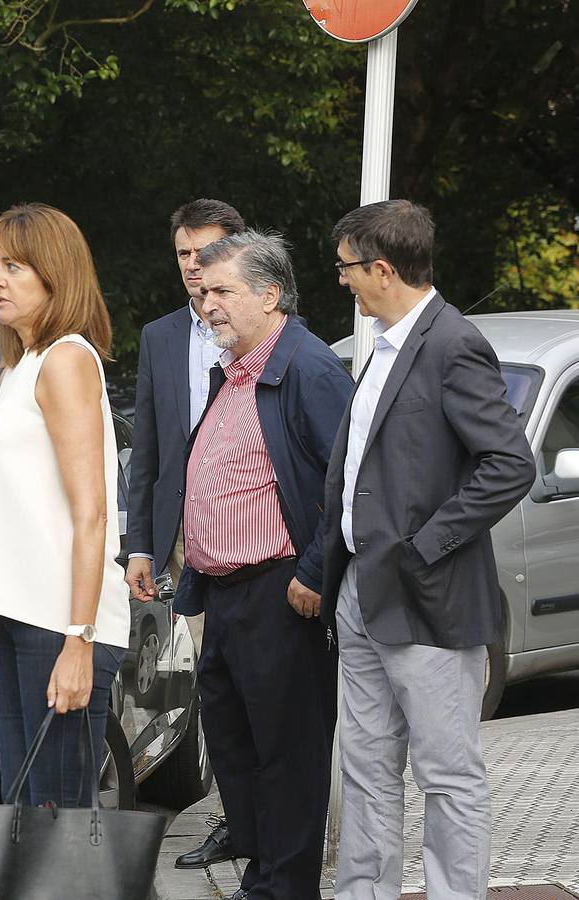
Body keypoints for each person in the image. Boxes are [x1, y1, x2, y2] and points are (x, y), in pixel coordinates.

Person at [321, 201, 535, 900]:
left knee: (446, 774)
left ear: (382, 268)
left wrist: (425, 547)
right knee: (364, 769)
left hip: (429, 598)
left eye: (348, 267)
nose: (341, 280)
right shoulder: (378, 345)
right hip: (359, 589)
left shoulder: (451, 343)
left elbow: (508, 463)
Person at [175, 230, 353, 900]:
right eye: (202, 291)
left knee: (287, 756)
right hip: (225, 596)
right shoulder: (236, 371)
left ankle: (285, 888)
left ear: (270, 295)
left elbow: (348, 483)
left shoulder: (306, 368)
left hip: (281, 593)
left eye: (221, 291)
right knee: (235, 748)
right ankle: (263, 877)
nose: (207, 304)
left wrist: (313, 569)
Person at [0, 203, 131, 808]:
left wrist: (78, 642)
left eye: (16, 267)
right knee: (28, 822)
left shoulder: (66, 359)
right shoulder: (21, 366)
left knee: (54, 825)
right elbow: (16, 524)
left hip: (60, 626)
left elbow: (92, 515)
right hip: (19, 622)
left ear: (57, 276)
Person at [123, 198, 245, 868]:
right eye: (182, 255)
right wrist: (140, 543)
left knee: (249, 684)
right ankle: (232, 820)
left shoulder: (269, 330)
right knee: (205, 686)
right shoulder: (160, 337)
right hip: (179, 542)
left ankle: (254, 817)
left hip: (255, 546)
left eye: (205, 252)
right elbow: (146, 450)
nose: (193, 268)